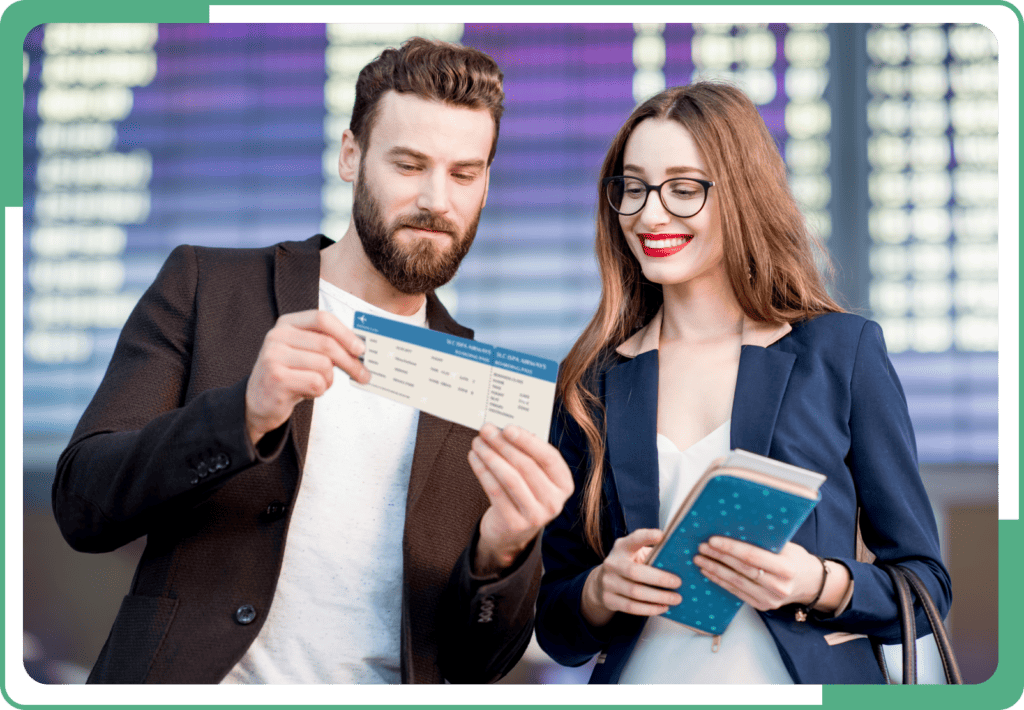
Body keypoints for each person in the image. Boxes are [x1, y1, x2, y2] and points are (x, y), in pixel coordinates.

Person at [52, 37, 573, 685]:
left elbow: (477, 667)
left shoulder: (491, 392)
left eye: (464, 174)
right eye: (409, 165)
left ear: (486, 185)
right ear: (350, 156)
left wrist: (504, 551)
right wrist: (242, 414)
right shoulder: (208, 287)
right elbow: (82, 505)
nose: (437, 200)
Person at [534, 82, 951, 684]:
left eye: (683, 189)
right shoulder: (592, 383)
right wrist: (600, 589)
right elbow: (557, 624)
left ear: (741, 195)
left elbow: (927, 590)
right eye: (633, 188)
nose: (650, 215)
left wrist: (818, 582)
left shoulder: (839, 354)